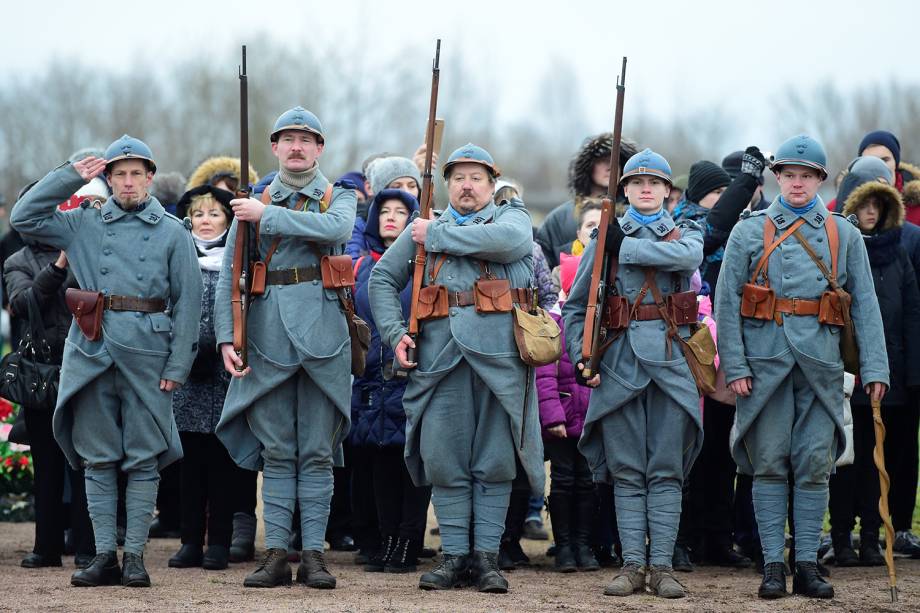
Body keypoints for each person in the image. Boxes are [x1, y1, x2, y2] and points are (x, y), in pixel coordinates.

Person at [10, 135, 203, 588]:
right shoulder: (83, 223)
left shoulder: (174, 231)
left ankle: (133, 556)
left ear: (150, 178)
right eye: (119, 173)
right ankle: (102, 557)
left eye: (137, 173)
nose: (129, 182)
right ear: (108, 179)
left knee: (142, 460)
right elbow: (25, 217)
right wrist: (69, 174)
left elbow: (189, 304)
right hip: (92, 350)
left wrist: (178, 366)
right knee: (96, 460)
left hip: (148, 355)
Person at [715, 134, 889, 600]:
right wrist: (734, 364)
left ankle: (808, 564)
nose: (797, 183)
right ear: (777, 178)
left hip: (821, 365)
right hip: (763, 365)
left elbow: (865, 306)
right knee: (769, 464)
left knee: (815, 465)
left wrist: (875, 369)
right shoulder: (748, 231)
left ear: (819, 180)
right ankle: (773, 564)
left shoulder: (843, 233)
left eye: (806, 176)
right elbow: (727, 302)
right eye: (789, 174)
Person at [369, 143, 544, 594]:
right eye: (459, 178)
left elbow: (511, 244)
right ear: (447, 184)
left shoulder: (511, 218)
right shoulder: (425, 227)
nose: (467, 186)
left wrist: (437, 236)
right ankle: (453, 557)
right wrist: (394, 333)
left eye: (476, 178)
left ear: (491, 184)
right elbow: (382, 279)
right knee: (445, 461)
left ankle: (486, 558)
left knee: (496, 461)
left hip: (502, 359)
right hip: (440, 358)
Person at [214, 106, 357, 589]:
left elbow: (335, 231)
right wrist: (224, 339)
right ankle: (276, 553)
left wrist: (266, 215)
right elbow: (229, 278)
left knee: (316, 451)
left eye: (306, 139)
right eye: (287, 139)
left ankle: (314, 555)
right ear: (274, 147)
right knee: (276, 452)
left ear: (320, 148)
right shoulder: (249, 204)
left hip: (323, 336)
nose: (296, 147)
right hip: (266, 337)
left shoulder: (340, 197)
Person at [563, 148, 704, 599]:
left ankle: (662, 566)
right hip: (619, 364)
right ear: (624, 190)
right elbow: (574, 308)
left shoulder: (685, 231)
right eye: (636, 183)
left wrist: (625, 245)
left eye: (655, 183)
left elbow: (686, 258)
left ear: (667, 191)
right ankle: (631, 565)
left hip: (669, 361)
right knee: (626, 472)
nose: (646, 189)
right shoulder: (607, 238)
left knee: (665, 470)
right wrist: (582, 358)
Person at [828, 156, 920, 565]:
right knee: (845, 458)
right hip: (847, 373)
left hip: (890, 375)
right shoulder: (839, 251)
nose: (870, 212)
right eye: (864, 204)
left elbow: (913, 313)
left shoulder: (899, 253)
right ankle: (842, 536)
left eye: (878, 206)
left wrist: (911, 372)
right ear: (851, 204)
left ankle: (871, 536)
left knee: (878, 462)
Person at [349, 188, 432, 574]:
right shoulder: (361, 266)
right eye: (384, 211)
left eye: (401, 212)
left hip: (413, 373)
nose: (391, 218)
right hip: (373, 378)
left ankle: (408, 542)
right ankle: (384, 540)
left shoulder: (426, 264)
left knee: (412, 460)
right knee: (380, 458)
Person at [165, 185, 247, 571]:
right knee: (190, 465)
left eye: (214, 214)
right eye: (199, 214)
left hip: (227, 376)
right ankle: (189, 541)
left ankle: (219, 543)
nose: (206, 221)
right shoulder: (178, 260)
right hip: (188, 378)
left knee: (224, 465)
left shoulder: (239, 264)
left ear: (228, 221)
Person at [4, 222, 94, 569]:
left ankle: (87, 547)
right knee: (47, 464)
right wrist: (58, 267)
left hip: (85, 368)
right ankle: (47, 548)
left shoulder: (86, 251)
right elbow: (24, 303)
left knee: (87, 460)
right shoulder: (17, 260)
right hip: (41, 373)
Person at [537, 252, 599, 573]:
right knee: (562, 482)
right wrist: (553, 417)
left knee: (588, 483)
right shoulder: (554, 325)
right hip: (562, 420)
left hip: (590, 422)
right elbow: (544, 376)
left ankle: (584, 545)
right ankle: (563, 547)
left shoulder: (599, 326)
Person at [537, 133, 638, 269]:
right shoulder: (558, 219)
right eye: (603, 160)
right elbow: (542, 270)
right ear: (588, 167)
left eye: (616, 161)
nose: (611, 167)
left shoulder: (635, 214)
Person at [857, 130, 920, 225]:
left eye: (885, 160)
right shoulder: (841, 206)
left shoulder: (917, 208)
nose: (879, 166)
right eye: (871, 161)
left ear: (896, 163)